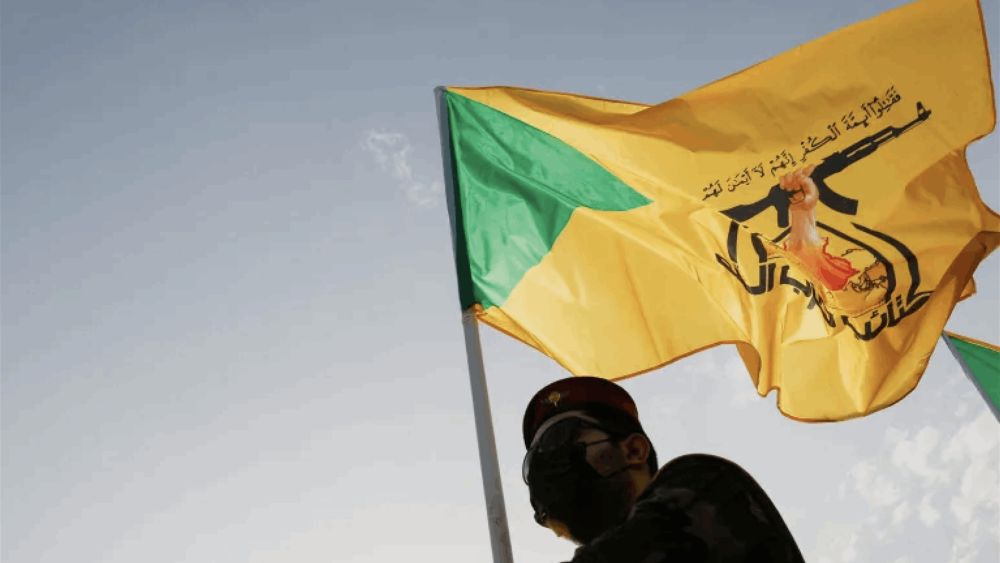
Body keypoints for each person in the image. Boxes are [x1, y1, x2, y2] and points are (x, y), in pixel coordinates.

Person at [522, 376, 804, 562]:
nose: (546, 462)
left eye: (559, 437)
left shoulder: (702, 484)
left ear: (634, 450)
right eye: (534, 461)